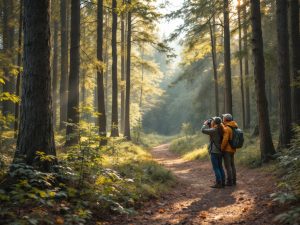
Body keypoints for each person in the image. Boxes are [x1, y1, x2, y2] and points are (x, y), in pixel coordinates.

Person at [201, 117, 225, 188]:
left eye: (213, 121)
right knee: (220, 167)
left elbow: (203, 130)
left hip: (214, 151)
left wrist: (204, 124)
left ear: (214, 123)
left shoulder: (214, 130)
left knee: (216, 168)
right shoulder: (222, 129)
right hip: (220, 151)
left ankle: (218, 183)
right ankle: (223, 182)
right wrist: (210, 124)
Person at [221, 113, 238, 186]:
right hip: (233, 149)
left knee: (228, 166)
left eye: (223, 118)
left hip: (227, 150)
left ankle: (229, 182)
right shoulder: (234, 126)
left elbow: (225, 140)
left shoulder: (227, 128)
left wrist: (221, 148)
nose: (222, 119)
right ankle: (234, 181)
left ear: (225, 119)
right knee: (232, 165)